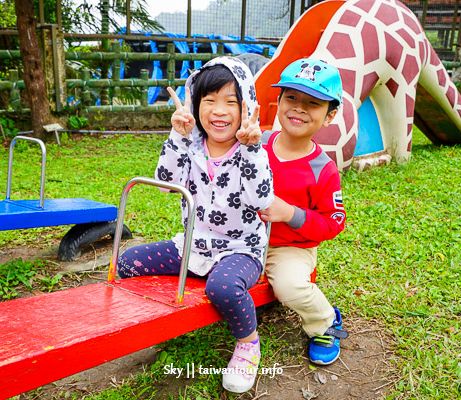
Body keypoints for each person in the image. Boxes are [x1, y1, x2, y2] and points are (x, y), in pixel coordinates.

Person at [117, 57, 274, 393]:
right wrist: (177, 133)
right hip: (193, 245)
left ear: (246, 106)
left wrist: (252, 148)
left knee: (221, 288)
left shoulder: (252, 151)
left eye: (231, 102)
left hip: (240, 250)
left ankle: (248, 343)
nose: (219, 111)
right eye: (209, 101)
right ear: (195, 104)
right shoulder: (191, 146)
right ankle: (159, 323)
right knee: (129, 262)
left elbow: (261, 201)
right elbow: (164, 182)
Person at [259, 58, 349, 366]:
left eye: (312, 103)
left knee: (289, 285)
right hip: (243, 238)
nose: (299, 108)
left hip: (288, 248)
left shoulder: (323, 170)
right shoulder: (257, 143)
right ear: (279, 102)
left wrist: (291, 213)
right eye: (292, 97)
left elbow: (333, 222)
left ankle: (324, 322)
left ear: (329, 116)